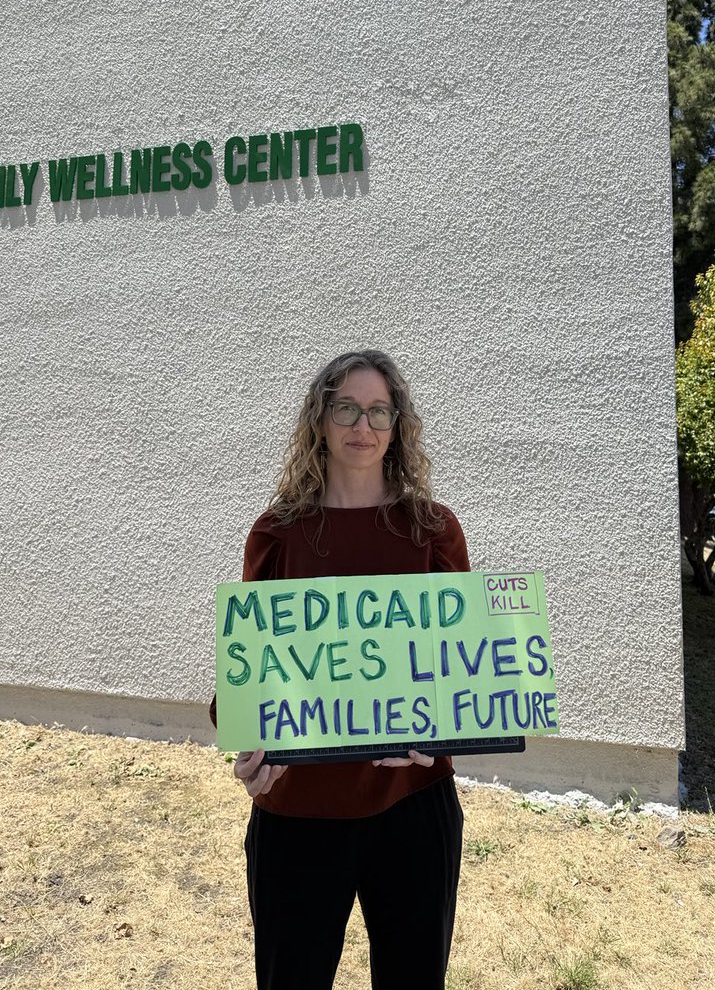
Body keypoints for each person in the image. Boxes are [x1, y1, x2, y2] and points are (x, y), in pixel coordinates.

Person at [210, 349, 470, 990]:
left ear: (398, 425)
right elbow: (250, 671)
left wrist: (440, 728)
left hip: (411, 806)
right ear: (320, 420)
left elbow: (461, 671)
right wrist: (246, 738)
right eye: (346, 407)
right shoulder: (279, 532)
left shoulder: (433, 531)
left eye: (379, 409)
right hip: (298, 807)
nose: (363, 423)